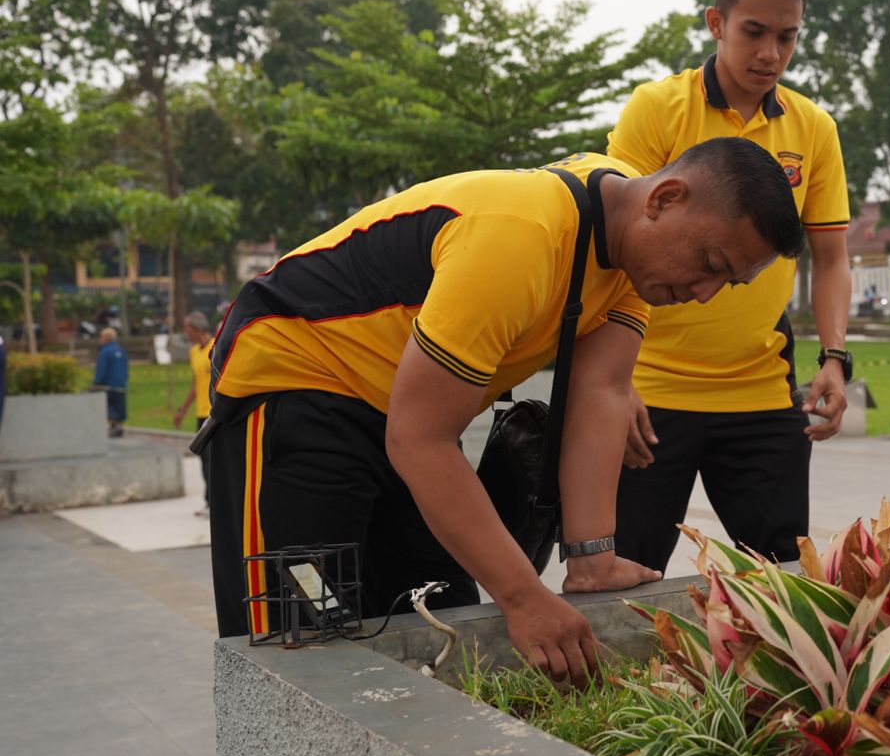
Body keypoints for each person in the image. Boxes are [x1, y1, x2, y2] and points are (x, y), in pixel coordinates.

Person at [204, 141, 805, 684]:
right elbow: (421, 441)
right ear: (665, 198)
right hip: (295, 387)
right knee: (302, 633)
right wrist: (522, 598)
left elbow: (600, 393)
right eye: (711, 263)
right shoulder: (520, 238)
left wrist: (591, 563)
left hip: (396, 410)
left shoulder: (631, 244)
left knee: (442, 616)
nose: (703, 292)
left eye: (726, 284)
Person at [608, 0, 852, 573]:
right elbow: (614, 246)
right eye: (754, 32)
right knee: (623, 580)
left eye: (788, 37)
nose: (771, 54)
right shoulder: (657, 111)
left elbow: (831, 258)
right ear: (716, 23)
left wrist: (833, 357)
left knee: (781, 586)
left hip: (760, 394)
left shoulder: (813, 130)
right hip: (649, 393)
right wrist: (613, 382)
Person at [173, 311, 214, 517]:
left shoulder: (216, 346)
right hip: (200, 414)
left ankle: (214, 503)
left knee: (213, 460)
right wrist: (182, 409)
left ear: (196, 328)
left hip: (215, 414)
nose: (185, 332)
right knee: (204, 460)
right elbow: (195, 384)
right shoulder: (193, 352)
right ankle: (209, 503)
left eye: (187, 328)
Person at [92, 327, 129, 438]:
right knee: (119, 406)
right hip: (121, 384)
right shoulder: (121, 350)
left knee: (110, 406)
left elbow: (101, 369)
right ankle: (119, 426)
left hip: (108, 384)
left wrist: (97, 381)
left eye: (101, 337)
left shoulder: (105, 352)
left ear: (105, 338)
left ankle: (113, 426)